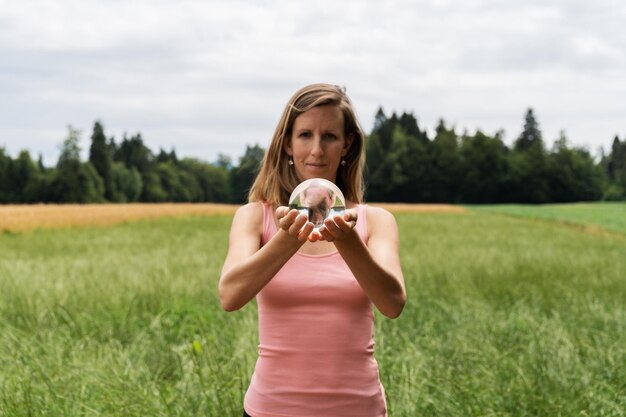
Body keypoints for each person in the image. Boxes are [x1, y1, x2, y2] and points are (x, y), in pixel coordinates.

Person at [219, 83, 406, 417]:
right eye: (305, 135)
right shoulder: (254, 217)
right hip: (271, 408)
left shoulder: (375, 221)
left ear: (347, 145)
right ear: (288, 144)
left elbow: (392, 303)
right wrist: (288, 238)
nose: (317, 150)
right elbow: (230, 296)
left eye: (330, 136)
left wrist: (348, 242)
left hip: (358, 409)